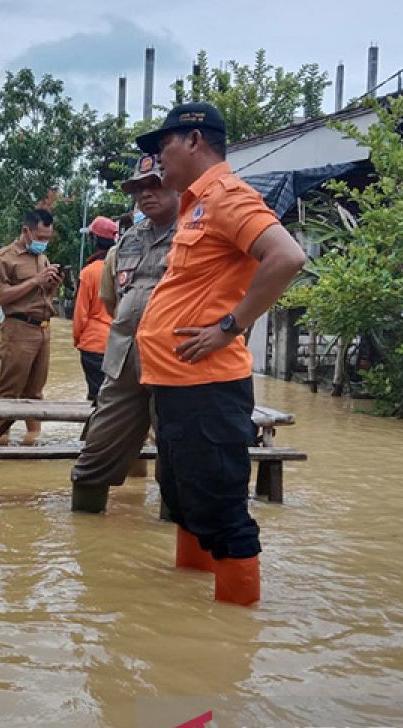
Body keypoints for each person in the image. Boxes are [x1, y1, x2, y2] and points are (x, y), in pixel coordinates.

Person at [135, 103, 306, 606]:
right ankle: (189, 608)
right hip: (175, 385)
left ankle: (233, 639)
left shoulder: (228, 195)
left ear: (193, 140)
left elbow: (287, 256)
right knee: (184, 499)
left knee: (221, 510)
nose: (156, 160)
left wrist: (230, 326)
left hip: (208, 387)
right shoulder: (194, 204)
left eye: (161, 147)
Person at [70, 156, 177, 512]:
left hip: (176, 365)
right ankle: (87, 539)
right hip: (123, 363)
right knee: (94, 455)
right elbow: (112, 301)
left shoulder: (199, 233)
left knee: (178, 463)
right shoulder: (127, 241)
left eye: (155, 184)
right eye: (138, 188)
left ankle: (173, 546)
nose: (145, 194)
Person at [0, 208, 59, 444]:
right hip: (18, 329)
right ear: (25, 231)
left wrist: (51, 285)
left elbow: (43, 295)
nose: (44, 243)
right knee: (7, 392)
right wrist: (35, 281)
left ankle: (33, 442)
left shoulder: (41, 257)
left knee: (36, 393)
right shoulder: (4, 258)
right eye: (40, 238)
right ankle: (1, 444)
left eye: (47, 238)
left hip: (43, 328)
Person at [72, 216, 118, 402]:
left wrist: (78, 339)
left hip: (94, 343)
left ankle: (95, 431)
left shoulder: (89, 272)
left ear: (94, 240)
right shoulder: (125, 267)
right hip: (120, 343)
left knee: (96, 397)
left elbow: (80, 314)